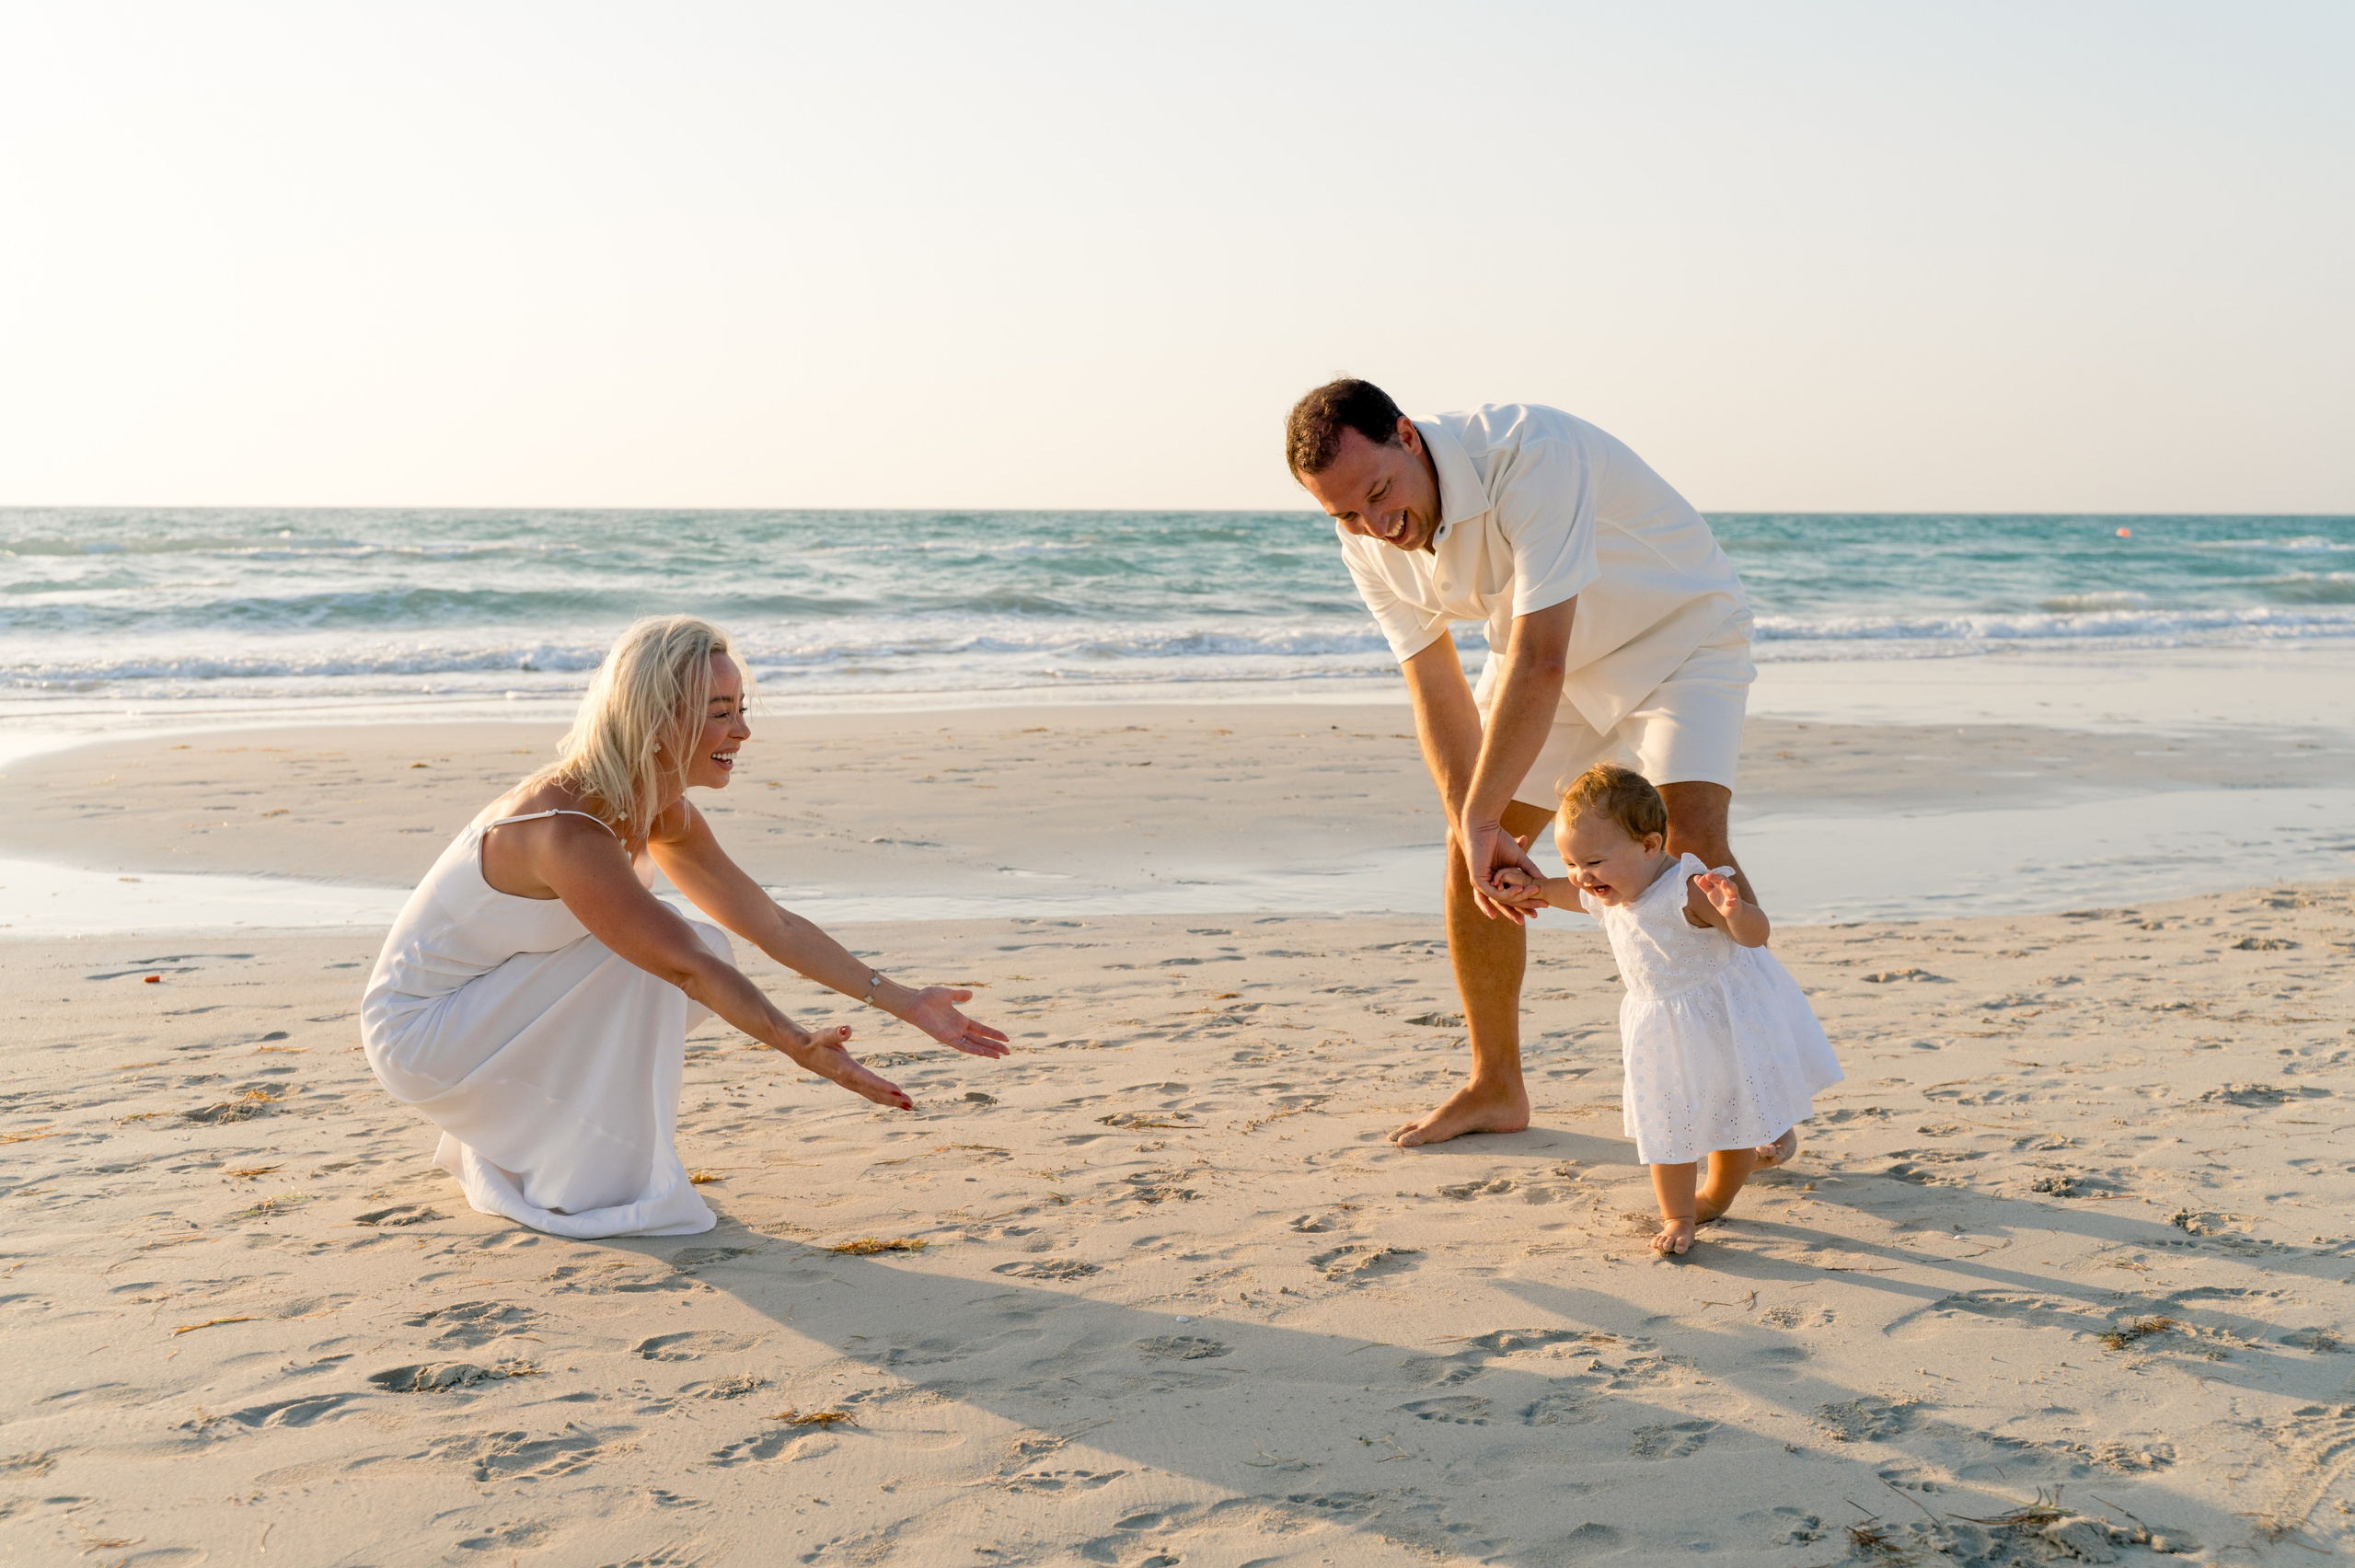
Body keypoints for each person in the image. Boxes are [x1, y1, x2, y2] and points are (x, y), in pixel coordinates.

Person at [360, 615, 1009, 1239]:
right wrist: (797, 1045)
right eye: (720, 714)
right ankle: (583, 1176)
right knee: (668, 950)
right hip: (421, 1036)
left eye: (741, 709)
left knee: (703, 941)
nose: (743, 732)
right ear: (655, 722)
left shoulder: (659, 809)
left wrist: (907, 1002)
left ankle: (541, 1144)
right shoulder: (564, 830)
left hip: (490, 1009)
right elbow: (685, 969)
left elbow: (772, 924)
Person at [1286, 378, 1756, 1147]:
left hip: (1678, 634)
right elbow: (1432, 683)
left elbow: (1540, 658)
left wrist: (1477, 814)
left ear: (1407, 437)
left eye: (1378, 493)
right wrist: (1471, 825)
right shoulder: (1361, 537)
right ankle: (1495, 1085)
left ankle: (1752, 1099)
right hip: (1554, 666)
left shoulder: (1529, 453)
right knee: (1470, 840)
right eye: (1343, 513)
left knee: (1690, 850)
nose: (1373, 524)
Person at [1495, 765, 1841, 1254]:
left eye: (1592, 862)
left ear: (1650, 845)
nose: (1581, 876)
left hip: (1725, 1021)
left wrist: (1736, 912)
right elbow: (1560, 892)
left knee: (1734, 1118)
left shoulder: (1689, 888)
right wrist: (1524, 885)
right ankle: (1678, 1214)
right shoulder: (1611, 889)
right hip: (1661, 1027)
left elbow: (1756, 937)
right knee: (1667, 1120)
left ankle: (1716, 1198)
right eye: (1572, 863)